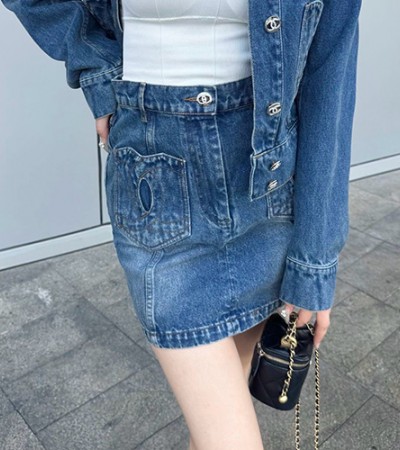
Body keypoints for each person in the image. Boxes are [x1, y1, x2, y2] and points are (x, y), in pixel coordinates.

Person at [1, 1, 362, 448]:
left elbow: (331, 68)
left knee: (213, 423)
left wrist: (315, 261)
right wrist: (97, 72)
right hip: (158, 172)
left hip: (266, 186)